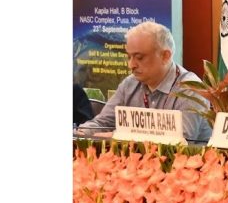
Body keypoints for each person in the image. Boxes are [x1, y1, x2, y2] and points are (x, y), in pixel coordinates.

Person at [77, 21, 212, 142]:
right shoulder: (130, 84)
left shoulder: (190, 88)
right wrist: (79, 134)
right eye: (129, 57)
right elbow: (102, 123)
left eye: (139, 57)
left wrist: (117, 136)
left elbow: (182, 142)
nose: (131, 65)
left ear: (165, 56)